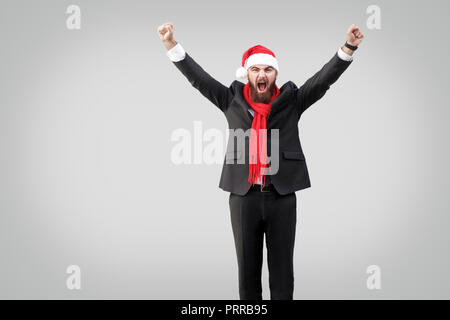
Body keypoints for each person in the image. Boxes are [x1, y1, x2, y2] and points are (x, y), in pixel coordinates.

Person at [158, 22, 364, 300]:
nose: (262, 74)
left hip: (282, 197)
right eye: (255, 69)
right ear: (247, 75)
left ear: (275, 74)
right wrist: (171, 44)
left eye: (267, 69)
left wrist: (348, 47)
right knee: (247, 275)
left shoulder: (292, 100)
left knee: (282, 274)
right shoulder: (230, 99)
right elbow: (199, 79)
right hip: (244, 198)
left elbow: (323, 79)